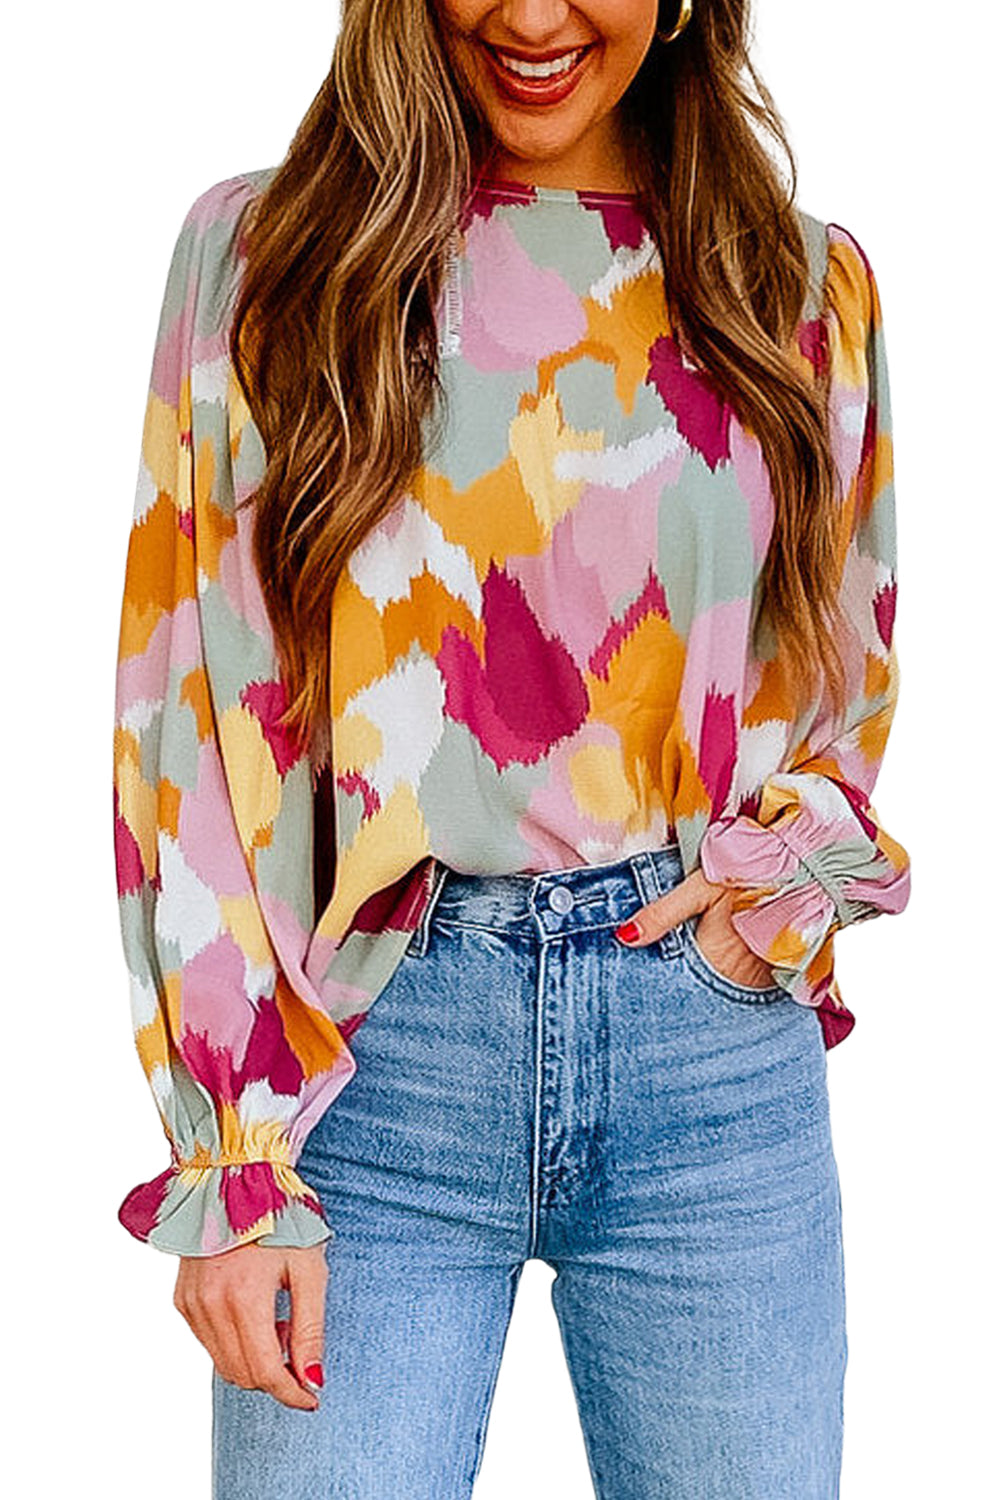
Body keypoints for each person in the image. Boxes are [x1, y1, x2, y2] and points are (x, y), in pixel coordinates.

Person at [111, 1, 912, 1494]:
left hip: (708, 1063)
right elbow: (193, 704)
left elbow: (839, 669)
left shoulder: (798, 286)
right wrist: (234, 1150)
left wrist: (767, 892)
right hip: (366, 1056)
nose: (532, 18)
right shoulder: (267, 258)